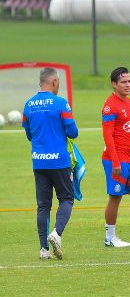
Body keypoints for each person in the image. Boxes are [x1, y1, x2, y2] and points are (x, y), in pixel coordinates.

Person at [23, 67, 79, 260]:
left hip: (39, 162)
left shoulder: (28, 104)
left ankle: (43, 250)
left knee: (43, 206)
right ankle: (56, 233)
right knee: (66, 199)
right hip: (60, 161)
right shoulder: (61, 103)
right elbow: (73, 132)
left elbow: (29, 134)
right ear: (54, 81)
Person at [101, 67, 130, 248]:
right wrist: (116, 161)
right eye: (124, 82)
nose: (128, 85)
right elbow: (107, 135)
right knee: (116, 196)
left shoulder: (129, 103)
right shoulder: (110, 106)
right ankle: (110, 237)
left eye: (129, 81)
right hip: (116, 159)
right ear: (114, 84)